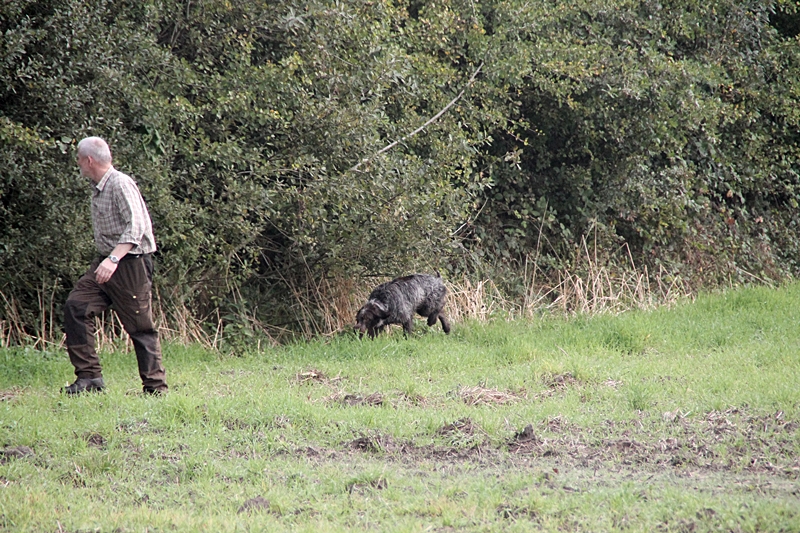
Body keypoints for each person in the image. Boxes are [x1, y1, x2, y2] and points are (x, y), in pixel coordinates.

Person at [62, 136, 168, 395]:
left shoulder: (120, 184)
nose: (78, 164)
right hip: (106, 261)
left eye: (78, 159)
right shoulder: (99, 187)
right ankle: (89, 379)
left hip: (129, 264)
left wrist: (113, 259)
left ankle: (155, 389)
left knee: (140, 327)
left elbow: (138, 226)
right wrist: (107, 260)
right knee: (76, 307)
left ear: (89, 160)